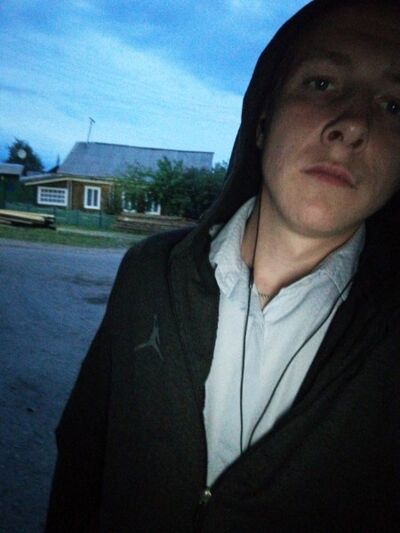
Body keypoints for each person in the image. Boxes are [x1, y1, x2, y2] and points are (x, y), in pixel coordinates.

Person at [46, 0, 400, 531]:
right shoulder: (147, 273)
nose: (353, 125)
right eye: (322, 83)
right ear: (262, 120)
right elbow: (82, 458)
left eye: (394, 105)